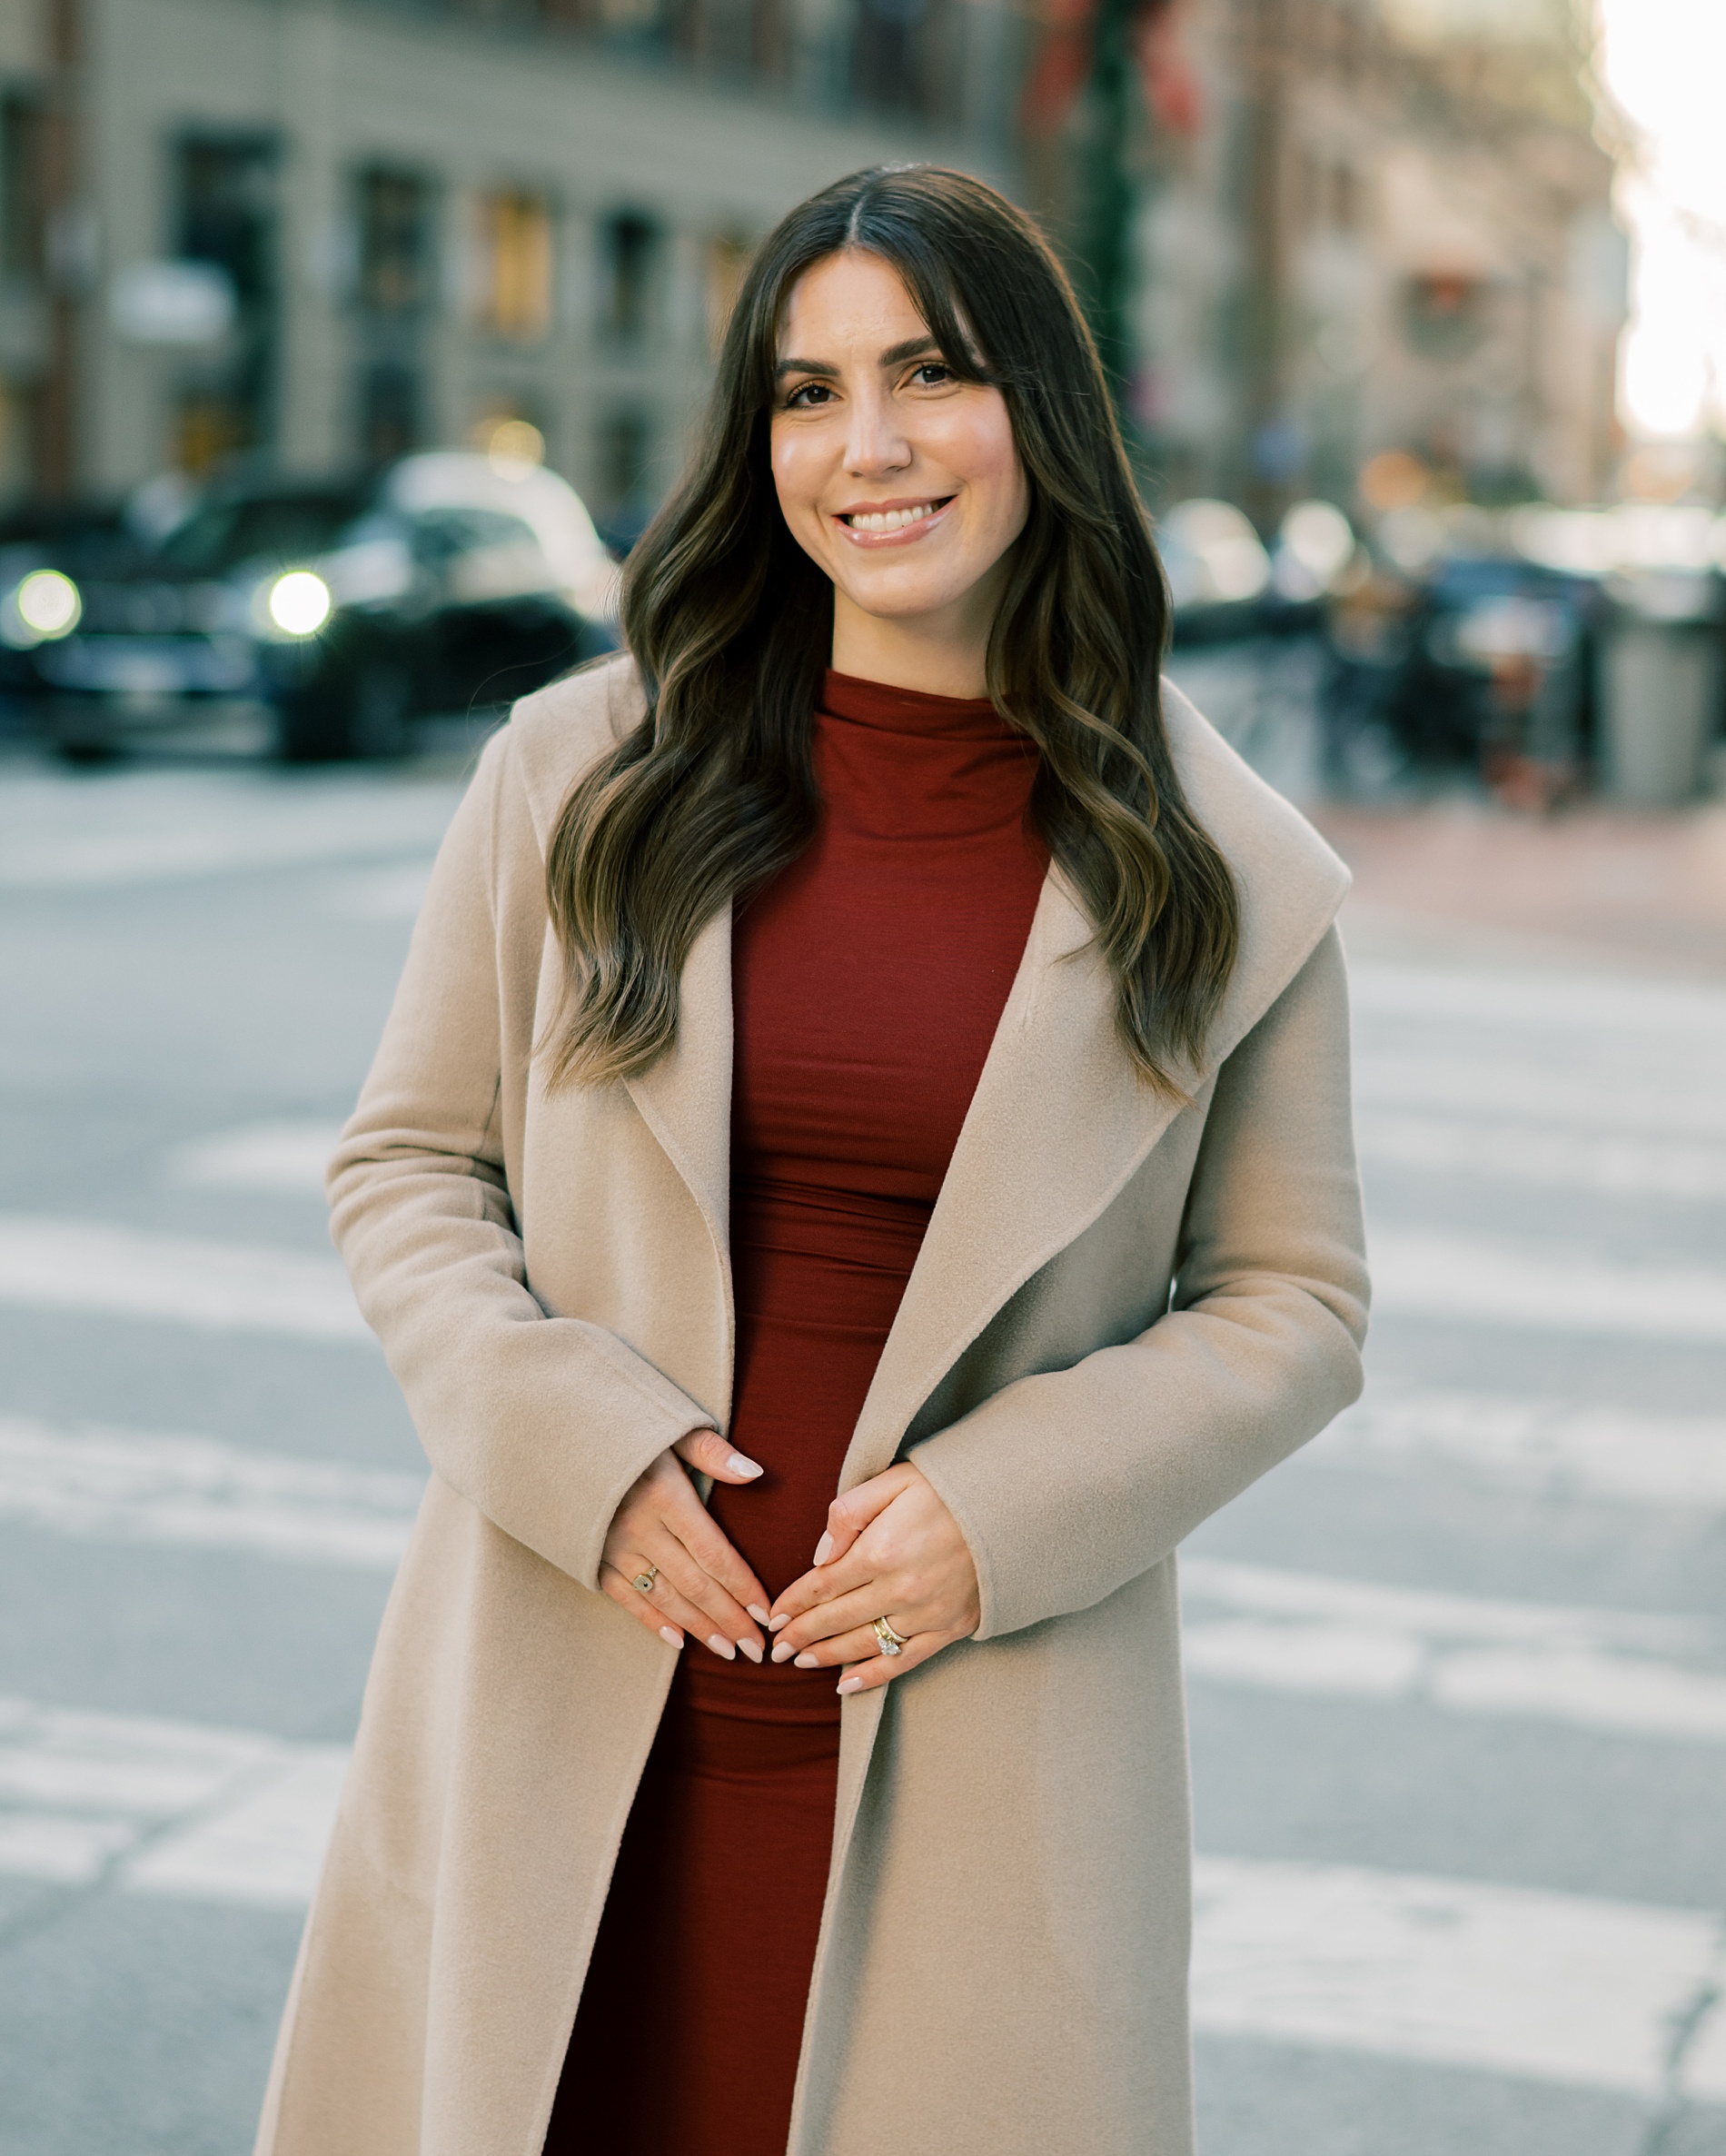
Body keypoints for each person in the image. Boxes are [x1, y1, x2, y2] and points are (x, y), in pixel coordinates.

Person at [254, 164, 1368, 2156]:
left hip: (978, 1723)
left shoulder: (1222, 865)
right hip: (573, 1680)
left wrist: (1001, 1502)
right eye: (802, 389)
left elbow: (1292, 1302)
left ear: (1038, 407)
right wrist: (567, 1438)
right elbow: (410, 1165)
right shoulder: (581, 774)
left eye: (926, 374)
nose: (862, 447)